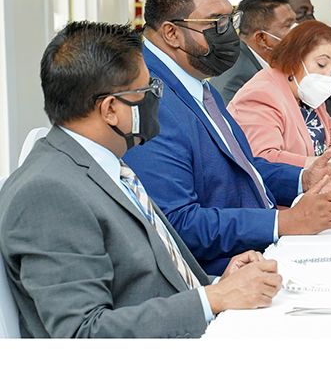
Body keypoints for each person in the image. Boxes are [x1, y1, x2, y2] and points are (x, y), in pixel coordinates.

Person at [0, 21, 283, 338]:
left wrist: (217, 283)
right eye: (149, 91)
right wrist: (213, 299)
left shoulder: (105, 164)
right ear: (110, 109)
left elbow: (142, 278)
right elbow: (82, 335)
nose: (157, 101)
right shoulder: (49, 193)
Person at [122, 0, 331, 277]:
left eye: (230, 20)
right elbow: (176, 223)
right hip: (226, 270)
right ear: (171, 33)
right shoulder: (150, 97)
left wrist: (303, 177)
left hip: (260, 243)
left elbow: (238, 169)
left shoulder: (193, 80)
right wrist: (283, 223)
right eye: (216, 23)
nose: (229, 34)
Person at [228, 21, 331, 171]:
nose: (328, 75)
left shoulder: (304, 91)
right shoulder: (260, 95)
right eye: (322, 64)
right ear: (294, 58)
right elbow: (265, 159)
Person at [209, 0, 296, 106]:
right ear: (261, 38)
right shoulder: (239, 78)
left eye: (296, 22)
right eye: (288, 25)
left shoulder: (275, 62)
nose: (297, 31)